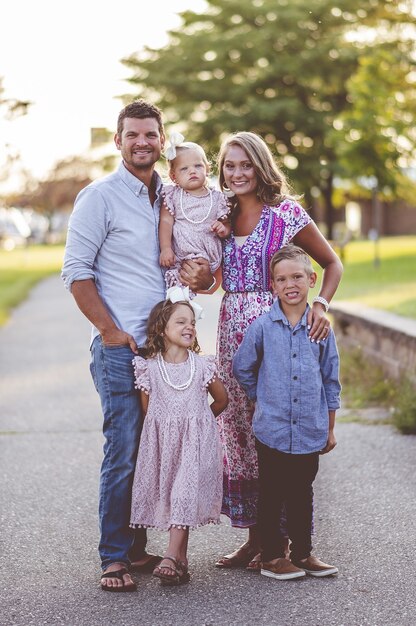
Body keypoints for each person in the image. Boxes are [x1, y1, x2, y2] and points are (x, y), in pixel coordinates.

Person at [61, 100, 214, 592]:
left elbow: (203, 273)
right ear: (118, 141)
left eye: (151, 134)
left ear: (162, 139)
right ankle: (113, 558)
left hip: (168, 355)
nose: (143, 142)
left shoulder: (174, 198)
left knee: (156, 450)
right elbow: (77, 274)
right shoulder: (98, 197)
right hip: (121, 347)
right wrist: (110, 332)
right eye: (133, 135)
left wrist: (205, 274)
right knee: (125, 449)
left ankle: (137, 548)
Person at [214, 131, 343, 570]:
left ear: (260, 166)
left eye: (245, 164)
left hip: (281, 334)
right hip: (232, 330)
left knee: (282, 431)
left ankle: (287, 545)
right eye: (229, 165)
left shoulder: (285, 212)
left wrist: (321, 304)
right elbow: (212, 278)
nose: (237, 173)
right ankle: (258, 540)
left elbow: (332, 262)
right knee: (243, 436)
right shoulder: (222, 212)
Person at [233, 244, 341, 580]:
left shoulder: (320, 328)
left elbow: (331, 380)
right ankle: (271, 557)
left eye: (297, 276)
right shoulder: (262, 327)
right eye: (282, 279)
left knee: (302, 492)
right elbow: (242, 367)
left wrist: (329, 428)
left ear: (311, 279)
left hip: (310, 428)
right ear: (273, 286)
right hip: (273, 428)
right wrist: (259, 397)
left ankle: (304, 554)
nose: (290, 283)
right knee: (271, 492)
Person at [130, 288, 228, 585]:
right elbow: (150, 414)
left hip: (197, 445)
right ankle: (181, 563)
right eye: (180, 322)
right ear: (162, 329)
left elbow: (221, 400)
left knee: (184, 493)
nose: (189, 327)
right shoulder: (148, 368)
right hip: (163, 447)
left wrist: (200, 426)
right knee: (175, 498)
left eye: (192, 323)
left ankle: (170, 557)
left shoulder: (201, 366)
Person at [159, 132, 231, 295]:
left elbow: (227, 224)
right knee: (177, 297)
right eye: (184, 168)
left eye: (198, 166)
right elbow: (165, 222)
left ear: (207, 169)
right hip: (181, 257)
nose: (192, 171)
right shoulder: (174, 196)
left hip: (208, 257)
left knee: (194, 290)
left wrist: (223, 228)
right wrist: (165, 248)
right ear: (173, 176)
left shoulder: (217, 198)